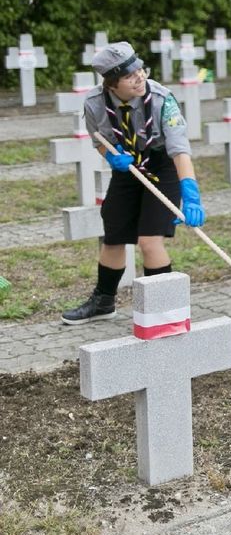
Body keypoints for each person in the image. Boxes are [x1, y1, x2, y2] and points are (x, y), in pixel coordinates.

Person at [61, 42, 206, 325]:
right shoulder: (94, 103)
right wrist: (112, 157)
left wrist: (191, 192)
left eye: (140, 70)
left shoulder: (163, 100)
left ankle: (165, 311)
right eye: (130, 76)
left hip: (162, 165)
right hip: (127, 168)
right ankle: (103, 302)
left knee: (149, 241)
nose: (140, 78)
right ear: (112, 84)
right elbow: (100, 141)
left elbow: (179, 150)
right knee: (114, 234)